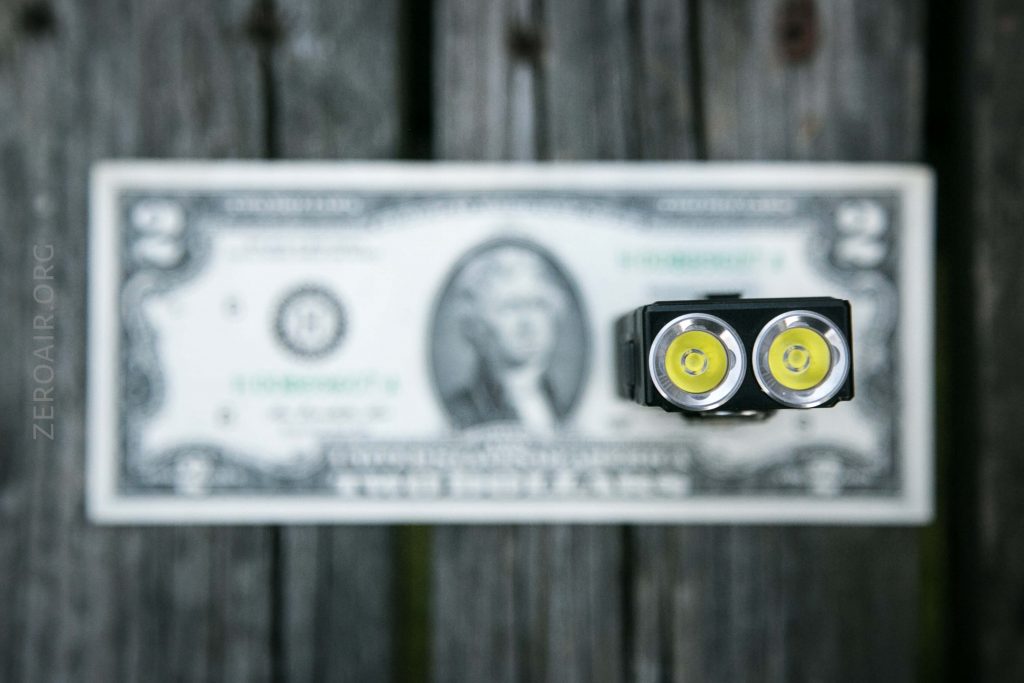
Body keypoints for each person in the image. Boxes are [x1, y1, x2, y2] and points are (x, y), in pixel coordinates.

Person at [444, 245, 568, 431]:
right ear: (479, 324)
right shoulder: (459, 414)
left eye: (538, 305)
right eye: (511, 307)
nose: (527, 322)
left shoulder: (559, 404)